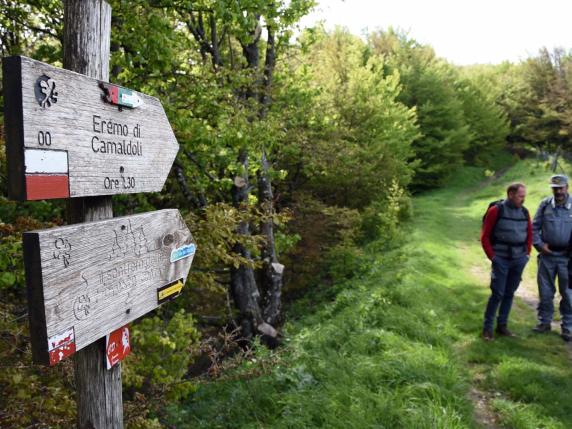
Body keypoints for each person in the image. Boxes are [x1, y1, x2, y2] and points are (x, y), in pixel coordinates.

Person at [481, 182, 532, 340]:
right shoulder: (495, 211)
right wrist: (493, 257)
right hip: (500, 259)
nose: (523, 199)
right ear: (510, 194)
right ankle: (487, 329)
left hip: (519, 259)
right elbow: (485, 236)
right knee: (497, 293)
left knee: (509, 293)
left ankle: (502, 326)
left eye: (524, 196)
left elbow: (529, 234)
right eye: (520, 196)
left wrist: (527, 254)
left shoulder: (525, 212)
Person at [532, 174, 572, 342]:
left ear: (567, 187)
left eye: (561, 188)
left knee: (568, 294)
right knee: (546, 292)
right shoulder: (545, 205)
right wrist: (540, 245)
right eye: (555, 189)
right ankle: (544, 322)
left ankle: (568, 328)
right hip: (547, 256)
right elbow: (533, 228)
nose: (558, 191)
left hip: (568, 258)